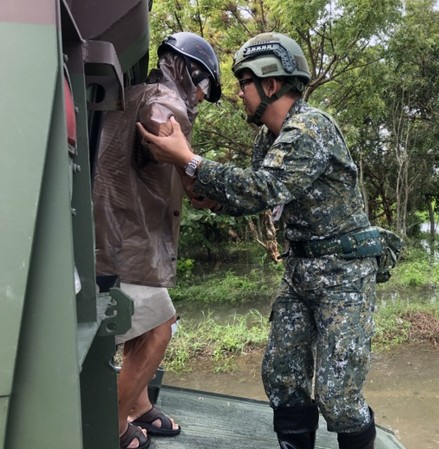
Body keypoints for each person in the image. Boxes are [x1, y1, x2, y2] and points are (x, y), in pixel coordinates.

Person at [137, 32, 381, 449]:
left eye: (243, 83)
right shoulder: (267, 141)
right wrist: (202, 191)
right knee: (282, 375)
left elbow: (266, 187)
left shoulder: (310, 128)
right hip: (300, 272)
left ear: (271, 84)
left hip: (343, 276)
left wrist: (189, 160)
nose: (238, 94)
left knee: (339, 396)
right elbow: (249, 199)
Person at [93, 32, 221, 449]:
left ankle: (139, 405)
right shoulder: (166, 99)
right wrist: (190, 168)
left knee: (143, 325)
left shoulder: (135, 90)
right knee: (158, 328)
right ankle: (110, 427)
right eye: (204, 85)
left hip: (118, 232)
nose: (202, 97)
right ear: (189, 71)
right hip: (124, 240)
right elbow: (159, 118)